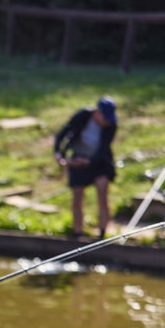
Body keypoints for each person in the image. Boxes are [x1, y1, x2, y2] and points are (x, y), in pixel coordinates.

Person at [54, 96, 118, 238]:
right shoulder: (83, 116)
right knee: (77, 196)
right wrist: (59, 154)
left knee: (102, 192)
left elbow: (103, 148)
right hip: (78, 158)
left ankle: (102, 233)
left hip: (99, 162)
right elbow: (62, 134)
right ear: (97, 112)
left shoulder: (112, 124)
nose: (107, 122)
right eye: (105, 118)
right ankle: (78, 233)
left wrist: (88, 162)